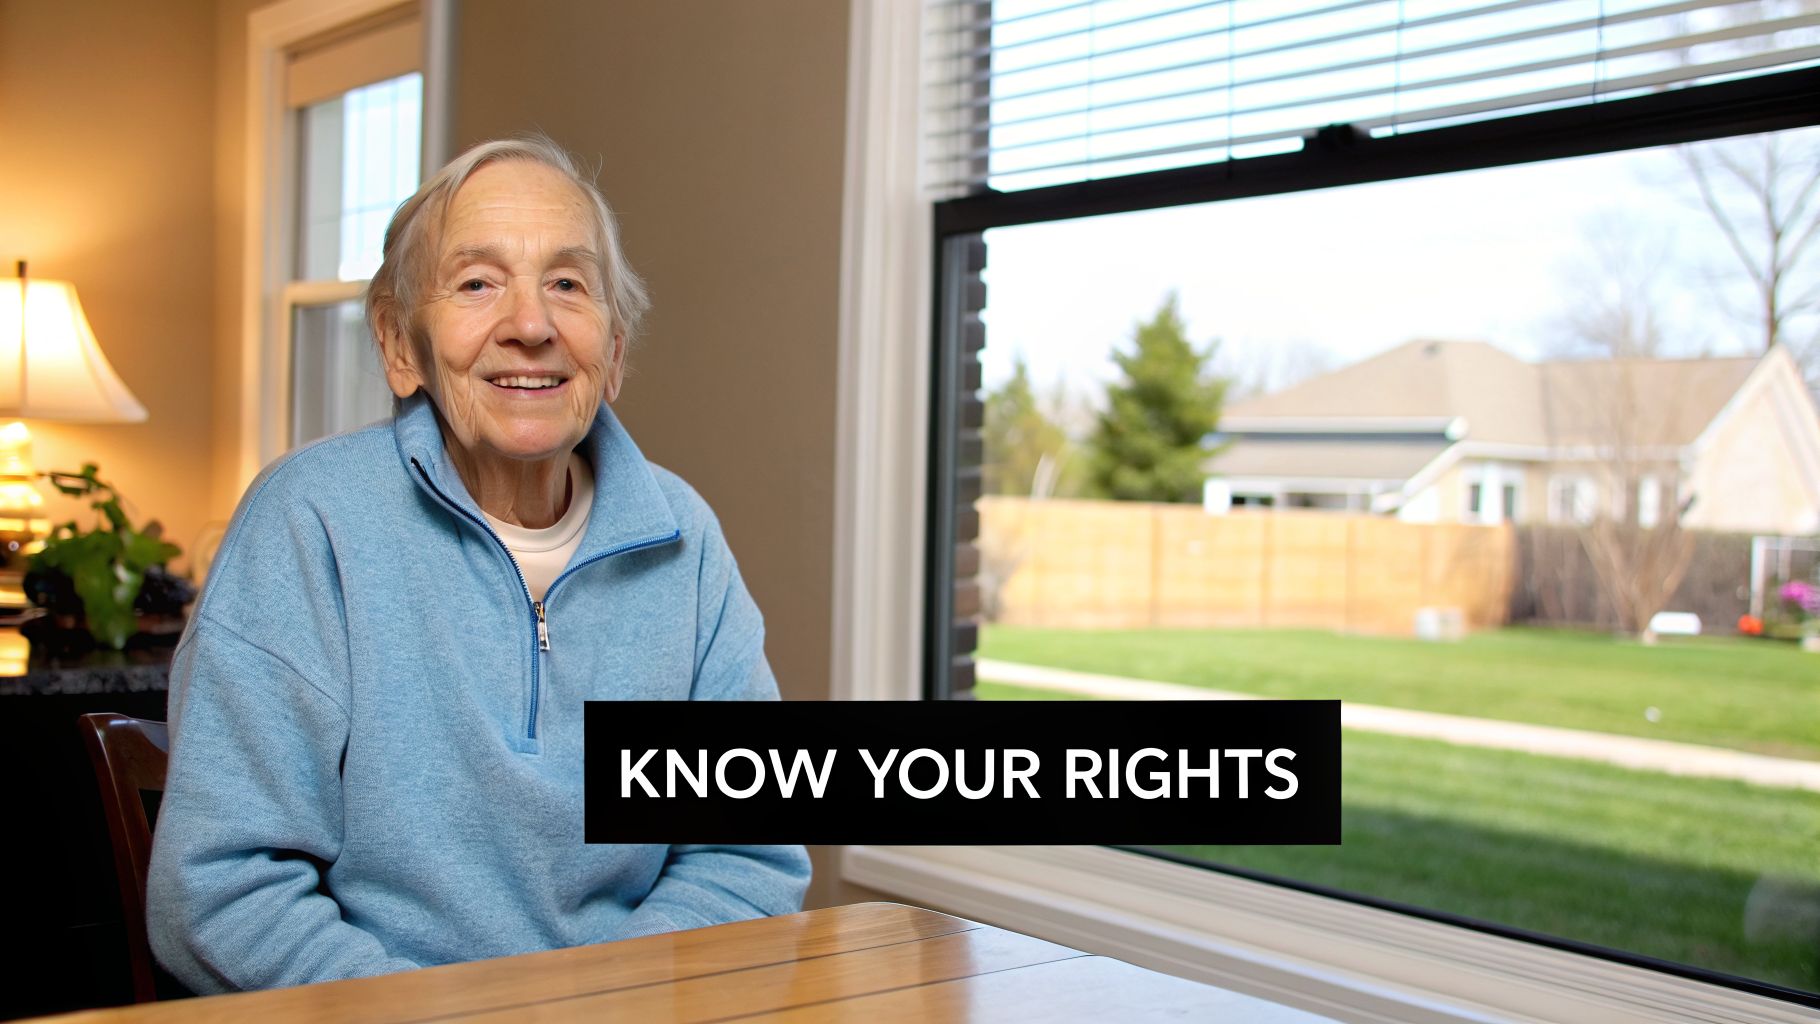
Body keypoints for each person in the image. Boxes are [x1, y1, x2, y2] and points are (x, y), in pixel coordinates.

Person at [146, 137, 810, 994]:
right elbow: (220, 895)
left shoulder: (685, 537)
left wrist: (605, 1005)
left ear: (612, 352)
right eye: (477, 283)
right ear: (399, 345)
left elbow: (746, 857)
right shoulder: (310, 523)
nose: (530, 325)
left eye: (568, 284)